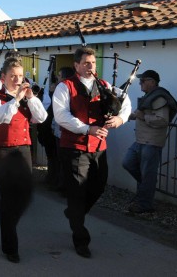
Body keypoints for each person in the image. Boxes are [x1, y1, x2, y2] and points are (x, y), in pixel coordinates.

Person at [52, 47, 131, 258]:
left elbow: (125, 101)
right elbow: (61, 115)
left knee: (99, 186)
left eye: (93, 63)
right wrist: (88, 128)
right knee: (77, 192)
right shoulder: (65, 86)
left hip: (98, 147)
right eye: (86, 63)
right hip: (74, 148)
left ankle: (74, 214)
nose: (90, 67)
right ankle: (80, 239)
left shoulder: (103, 85)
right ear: (76, 65)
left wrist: (120, 119)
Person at [0, 57, 47, 263]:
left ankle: (10, 222)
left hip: (23, 149)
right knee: (8, 198)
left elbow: (41, 117)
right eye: (12, 76)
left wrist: (30, 98)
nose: (17, 79)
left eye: (20, 76)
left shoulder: (27, 98)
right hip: (3, 151)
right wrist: (16, 99)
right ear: (3, 77)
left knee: (25, 194)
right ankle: (10, 246)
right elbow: (0, 118)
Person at [122, 70, 177, 214]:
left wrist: (142, 117)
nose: (140, 83)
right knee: (128, 163)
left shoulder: (159, 99)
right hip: (141, 141)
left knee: (147, 174)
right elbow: (141, 114)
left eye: (144, 80)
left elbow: (162, 121)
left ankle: (144, 204)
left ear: (152, 82)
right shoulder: (150, 97)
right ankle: (146, 189)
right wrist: (128, 116)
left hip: (151, 142)